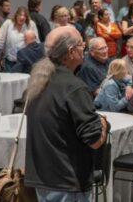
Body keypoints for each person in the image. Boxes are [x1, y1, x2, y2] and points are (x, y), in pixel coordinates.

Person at [25, 26, 110, 200]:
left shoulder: (38, 81)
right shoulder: (73, 87)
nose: (84, 49)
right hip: (68, 181)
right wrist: (103, 123)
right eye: (81, 45)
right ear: (71, 52)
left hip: (43, 178)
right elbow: (94, 140)